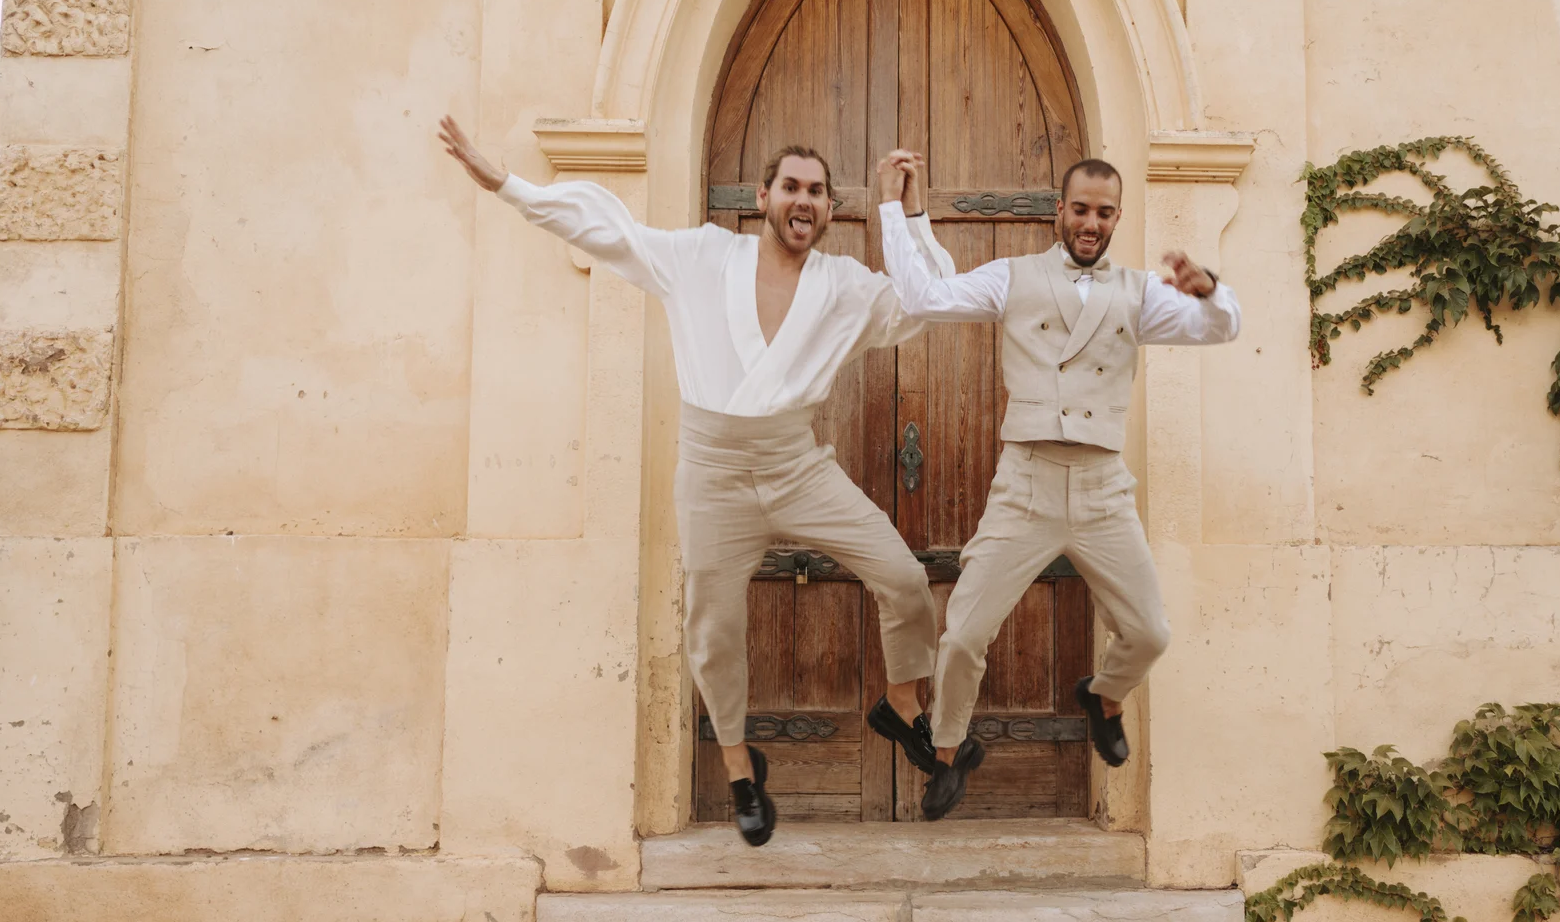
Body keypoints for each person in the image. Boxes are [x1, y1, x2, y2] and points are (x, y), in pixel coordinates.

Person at [439, 118, 957, 845]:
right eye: (791, 187)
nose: (803, 201)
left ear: (829, 209)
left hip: (796, 464)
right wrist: (507, 185)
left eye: (816, 192)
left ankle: (901, 705)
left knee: (902, 575)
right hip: (713, 470)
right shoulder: (703, 256)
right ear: (763, 197)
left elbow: (929, 299)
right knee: (713, 627)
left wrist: (908, 210)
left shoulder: (845, 286)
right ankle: (741, 766)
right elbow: (609, 232)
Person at [874, 149, 1241, 819]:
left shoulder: (1139, 292)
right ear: (1058, 211)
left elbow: (1222, 330)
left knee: (1150, 632)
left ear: (1117, 217)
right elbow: (927, 295)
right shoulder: (1014, 277)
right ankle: (948, 751)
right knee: (963, 634)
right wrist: (897, 210)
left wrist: (1209, 289)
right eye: (1080, 210)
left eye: (1104, 213)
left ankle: (1104, 695)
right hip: (1026, 484)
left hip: (1103, 488)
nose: (1091, 223)